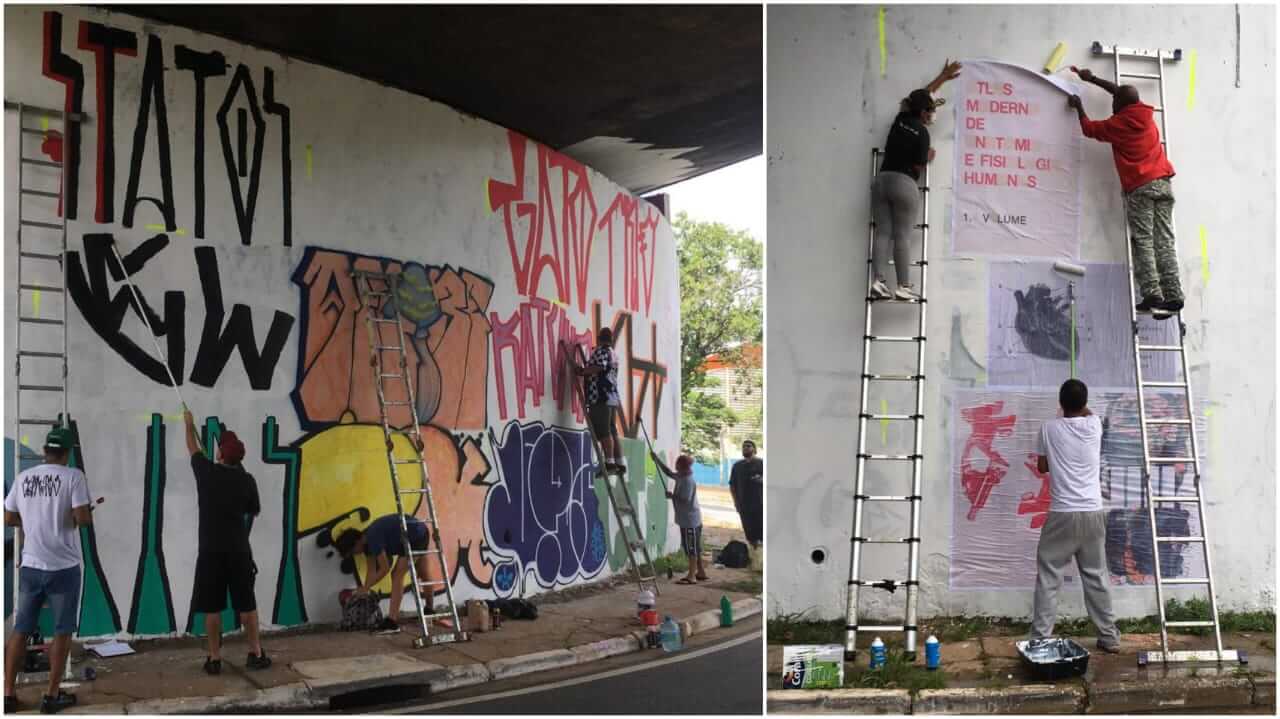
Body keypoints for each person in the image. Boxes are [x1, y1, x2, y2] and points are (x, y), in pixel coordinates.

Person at [1067, 67, 1181, 319]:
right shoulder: (1145, 115)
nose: (1112, 101)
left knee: (1144, 241)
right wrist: (1093, 78)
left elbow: (1089, 129)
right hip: (1163, 183)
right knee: (1164, 240)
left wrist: (1078, 106)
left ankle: (1153, 295)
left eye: (1114, 101)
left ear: (1120, 105)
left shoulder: (1118, 124)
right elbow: (1120, 92)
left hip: (1141, 187)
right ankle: (1174, 295)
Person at [3, 427, 91, 714]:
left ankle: (8, 694)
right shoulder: (73, 476)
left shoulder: (24, 477)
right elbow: (83, 519)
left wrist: (32, 522)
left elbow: (8, 517)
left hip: (31, 566)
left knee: (21, 630)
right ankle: (51, 697)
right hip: (63, 569)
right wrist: (75, 517)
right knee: (62, 631)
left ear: (44, 451)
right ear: (66, 453)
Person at [1030, 379, 1122, 653]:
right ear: (1084, 403)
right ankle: (1109, 637)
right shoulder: (1095, 426)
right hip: (1093, 513)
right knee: (1096, 576)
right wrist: (1076, 408)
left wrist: (1060, 420)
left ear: (1060, 403)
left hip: (1062, 514)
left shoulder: (1048, 428)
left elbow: (1042, 467)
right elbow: (1088, 412)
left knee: (1049, 577)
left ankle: (1041, 639)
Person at [183, 410, 270, 674]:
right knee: (247, 605)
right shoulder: (247, 481)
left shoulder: (206, 473)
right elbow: (253, 510)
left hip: (210, 552)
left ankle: (214, 658)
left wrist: (188, 423)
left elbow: (192, 446)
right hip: (239, 551)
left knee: (212, 608)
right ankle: (255, 653)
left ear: (221, 453)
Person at [869, 59, 962, 302]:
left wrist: (942, 77)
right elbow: (919, 165)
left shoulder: (900, 118)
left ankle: (878, 282)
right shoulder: (922, 133)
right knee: (902, 235)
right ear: (923, 113)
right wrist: (928, 156)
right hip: (904, 184)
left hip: (882, 181)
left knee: (882, 233)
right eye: (931, 111)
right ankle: (903, 286)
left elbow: (920, 95)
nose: (933, 114)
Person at [334, 513, 443, 633]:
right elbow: (371, 572)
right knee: (423, 572)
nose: (356, 554)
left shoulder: (372, 538)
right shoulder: (366, 543)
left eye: (353, 551)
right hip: (416, 532)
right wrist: (365, 589)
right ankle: (429, 610)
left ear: (357, 542)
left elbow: (384, 569)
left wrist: (365, 589)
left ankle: (392, 622)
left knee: (396, 575)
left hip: (415, 535)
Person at [575, 327, 624, 473]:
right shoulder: (613, 353)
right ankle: (619, 463)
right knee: (612, 431)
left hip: (600, 397)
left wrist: (583, 371)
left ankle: (609, 463)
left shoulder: (601, 351)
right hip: (612, 397)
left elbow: (599, 367)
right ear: (611, 338)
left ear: (599, 338)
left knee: (603, 432)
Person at [655, 455, 706, 584]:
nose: (675, 466)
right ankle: (700, 572)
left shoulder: (687, 480)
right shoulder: (681, 475)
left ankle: (691, 576)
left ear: (682, 466)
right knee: (695, 547)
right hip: (689, 519)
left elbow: (686, 499)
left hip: (690, 521)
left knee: (691, 548)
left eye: (677, 464)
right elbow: (669, 473)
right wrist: (657, 460)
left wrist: (672, 496)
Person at [729, 440, 764, 549]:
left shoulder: (762, 464)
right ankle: (755, 555)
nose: (745, 448)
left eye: (748, 446)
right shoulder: (737, 466)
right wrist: (736, 503)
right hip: (744, 506)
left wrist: (762, 480)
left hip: (761, 505)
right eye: (743, 446)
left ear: (754, 449)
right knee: (750, 533)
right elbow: (732, 486)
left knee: (763, 532)